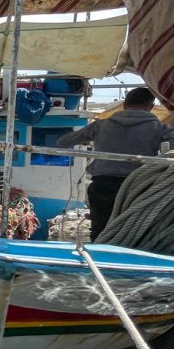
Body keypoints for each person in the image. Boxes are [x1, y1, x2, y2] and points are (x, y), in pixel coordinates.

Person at [57, 87, 174, 241]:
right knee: (134, 234)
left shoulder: (100, 125)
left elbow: (62, 142)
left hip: (102, 187)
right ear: (151, 107)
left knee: (100, 231)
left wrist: (92, 138)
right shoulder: (159, 129)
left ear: (124, 104)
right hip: (138, 188)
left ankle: (99, 260)